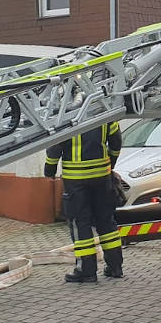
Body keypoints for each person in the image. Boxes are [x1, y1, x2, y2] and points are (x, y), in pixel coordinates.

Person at [45, 120, 124, 283]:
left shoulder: (66, 117)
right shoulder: (104, 113)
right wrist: (111, 163)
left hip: (76, 180)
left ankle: (86, 270)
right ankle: (115, 267)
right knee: (106, 221)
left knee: (80, 224)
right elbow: (116, 141)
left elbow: (55, 147)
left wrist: (49, 170)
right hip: (102, 177)